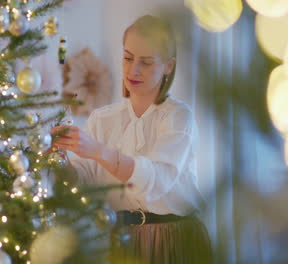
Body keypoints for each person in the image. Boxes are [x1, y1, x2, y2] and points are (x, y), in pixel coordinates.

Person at [50, 15, 212, 263]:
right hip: (122, 240)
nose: (133, 70)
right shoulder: (102, 119)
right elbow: (85, 183)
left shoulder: (178, 117)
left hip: (174, 239)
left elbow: (155, 181)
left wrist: (98, 151)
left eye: (146, 62)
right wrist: (60, 158)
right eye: (127, 58)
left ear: (169, 65)